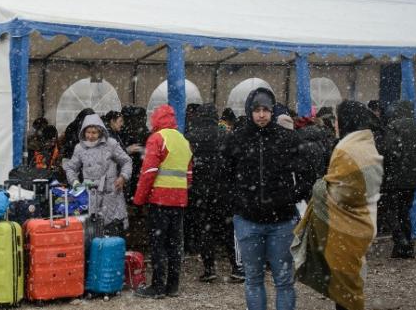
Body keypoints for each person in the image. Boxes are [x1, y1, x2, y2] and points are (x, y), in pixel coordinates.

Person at [221, 87, 312, 310]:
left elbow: (306, 173)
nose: (261, 115)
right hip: (248, 221)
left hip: (282, 222)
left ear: (272, 111)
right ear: (249, 111)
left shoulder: (287, 138)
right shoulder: (237, 139)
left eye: (265, 110)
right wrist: (237, 202)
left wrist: (291, 196)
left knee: (284, 281)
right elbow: (224, 176)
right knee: (253, 279)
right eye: (257, 110)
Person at [292, 100, 383, 310]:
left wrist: (319, 185)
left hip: (345, 227)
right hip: (362, 221)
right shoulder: (366, 145)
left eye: (337, 120)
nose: (334, 124)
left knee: (345, 288)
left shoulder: (347, 149)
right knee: (351, 279)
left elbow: (337, 191)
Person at [132, 104, 192, 299]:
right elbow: (189, 174)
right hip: (179, 200)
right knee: (175, 244)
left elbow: (148, 173)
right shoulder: (183, 140)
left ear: (156, 119)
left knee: (158, 245)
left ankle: (157, 287)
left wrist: (139, 200)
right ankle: (172, 286)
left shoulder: (157, 139)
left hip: (160, 200)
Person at [185, 104, 243, 283]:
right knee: (228, 230)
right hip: (224, 191)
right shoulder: (226, 135)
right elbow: (236, 163)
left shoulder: (190, 137)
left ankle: (209, 269)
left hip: (200, 191)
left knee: (204, 230)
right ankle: (237, 268)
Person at [378, 100, 416, 259]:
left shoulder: (393, 127)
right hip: (413, 178)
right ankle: (406, 248)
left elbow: (386, 150)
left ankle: (400, 239)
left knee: (389, 210)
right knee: (404, 211)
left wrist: (388, 167)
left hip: (392, 178)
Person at [62, 114, 132, 237]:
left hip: (111, 195)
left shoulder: (111, 144)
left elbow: (126, 161)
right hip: (90, 197)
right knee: (92, 235)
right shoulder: (80, 148)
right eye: (88, 132)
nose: (90, 136)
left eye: (94, 132)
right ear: (83, 132)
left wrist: (123, 177)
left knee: (112, 233)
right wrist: (75, 183)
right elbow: (70, 167)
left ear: (101, 131)